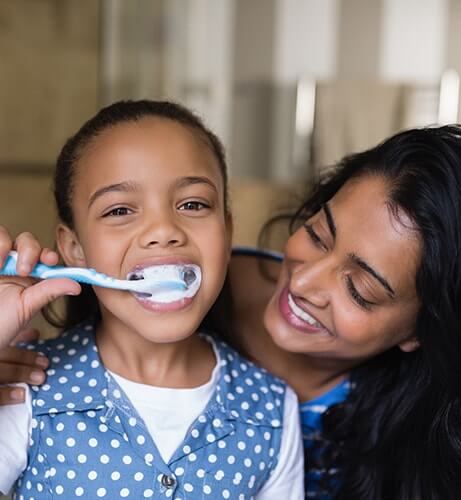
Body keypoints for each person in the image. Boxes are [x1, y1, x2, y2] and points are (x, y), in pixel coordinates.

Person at [2, 124, 461, 499]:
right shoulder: (46, 386)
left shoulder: (281, 414)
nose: (303, 282)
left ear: (423, 332)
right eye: (318, 234)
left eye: (361, 289)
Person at [0, 100, 304, 499]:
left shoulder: (271, 411)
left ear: (227, 232)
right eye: (120, 210)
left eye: (193, 204)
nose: (163, 230)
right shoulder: (23, 389)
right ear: (74, 249)